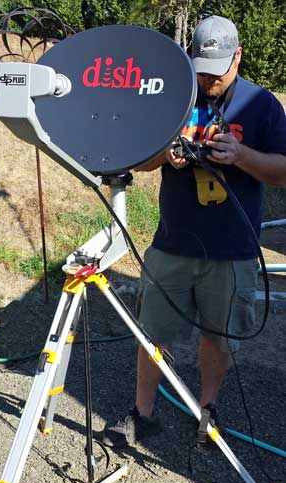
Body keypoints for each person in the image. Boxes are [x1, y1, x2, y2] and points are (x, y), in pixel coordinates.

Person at [101, 15, 286, 448]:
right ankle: (142, 412)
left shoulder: (262, 106)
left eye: (215, 74)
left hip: (234, 249)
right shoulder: (175, 98)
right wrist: (165, 154)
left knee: (218, 338)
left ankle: (208, 409)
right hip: (173, 243)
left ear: (238, 56)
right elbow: (137, 159)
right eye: (200, 70)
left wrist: (239, 155)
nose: (207, 81)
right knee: (153, 332)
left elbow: (281, 171)